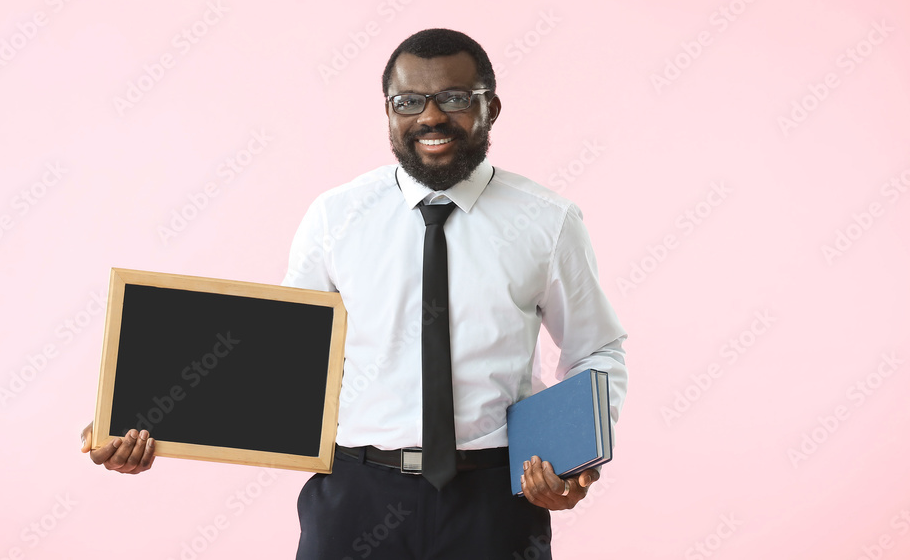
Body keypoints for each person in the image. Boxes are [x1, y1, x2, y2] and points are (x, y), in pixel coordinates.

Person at [80, 28, 627, 559]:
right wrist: (142, 421)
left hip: (493, 501)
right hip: (354, 498)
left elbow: (595, 351)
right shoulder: (334, 217)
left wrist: (574, 459)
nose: (431, 117)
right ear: (389, 111)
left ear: (492, 108)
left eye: (454, 98)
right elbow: (283, 360)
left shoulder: (548, 222)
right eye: (409, 101)